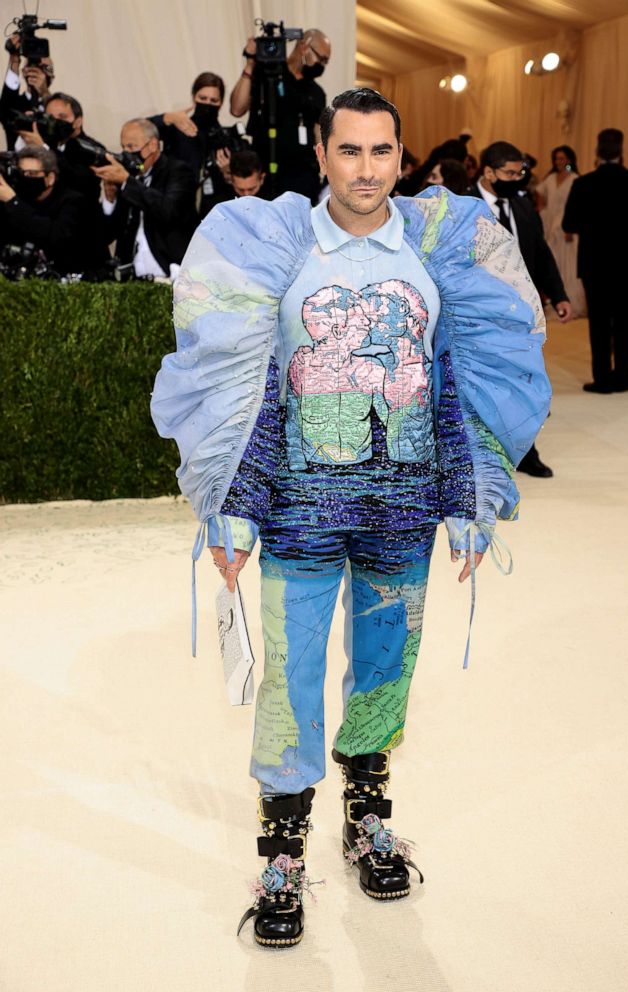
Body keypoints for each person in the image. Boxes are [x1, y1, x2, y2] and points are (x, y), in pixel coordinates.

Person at [150, 87, 550, 948]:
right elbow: (250, 390)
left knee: (382, 672)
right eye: (349, 151)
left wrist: (472, 496)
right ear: (322, 156)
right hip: (298, 512)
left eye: (381, 153)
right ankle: (283, 848)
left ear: (400, 158)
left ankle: (367, 816)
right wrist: (232, 509)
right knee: (289, 688)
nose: (365, 170)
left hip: (400, 515)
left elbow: (457, 383)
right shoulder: (276, 251)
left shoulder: (437, 252)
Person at [469, 140, 572, 478]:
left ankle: (526, 451)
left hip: (521, 314)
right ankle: (478, 459)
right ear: (488, 172)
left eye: (520, 172)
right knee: (481, 386)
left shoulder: (523, 206)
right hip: (477, 314)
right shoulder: (463, 206)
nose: (517, 178)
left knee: (524, 384)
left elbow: (540, 253)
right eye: (509, 173)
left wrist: (559, 295)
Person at [562, 128, 628, 393]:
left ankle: (602, 378)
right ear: (621, 152)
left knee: (599, 323)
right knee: (625, 321)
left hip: (594, 264)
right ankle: (623, 377)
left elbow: (569, 223)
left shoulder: (584, 183)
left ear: (597, 152)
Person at [229, 28, 331, 201]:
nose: (321, 65)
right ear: (304, 46)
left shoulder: (316, 92)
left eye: (325, 62)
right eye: (320, 58)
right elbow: (237, 109)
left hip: (302, 177)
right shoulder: (267, 74)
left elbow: (318, 134)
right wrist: (250, 63)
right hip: (265, 173)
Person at [93, 118, 197, 279]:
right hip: (129, 274)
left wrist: (127, 181)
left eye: (132, 147)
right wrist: (109, 199)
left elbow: (167, 210)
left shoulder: (178, 171)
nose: (127, 153)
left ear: (153, 145)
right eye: (123, 148)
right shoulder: (128, 177)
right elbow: (107, 235)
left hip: (168, 271)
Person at [0, 145, 106, 277]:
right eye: (21, 173)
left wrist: (13, 202)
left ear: (50, 178)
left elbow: (55, 235)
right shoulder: (18, 199)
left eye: (31, 174)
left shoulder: (74, 202)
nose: (25, 178)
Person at [149, 71, 237, 218]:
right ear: (193, 97)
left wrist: (228, 174)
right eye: (203, 98)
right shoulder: (177, 129)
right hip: (176, 208)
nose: (208, 104)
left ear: (221, 102)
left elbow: (241, 188)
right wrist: (167, 117)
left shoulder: (226, 138)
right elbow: (138, 132)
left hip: (213, 213)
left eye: (214, 100)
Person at [17, 92, 104, 204]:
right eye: (50, 118)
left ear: (77, 122)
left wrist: (43, 147)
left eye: (62, 117)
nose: (55, 122)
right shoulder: (48, 141)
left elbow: (78, 180)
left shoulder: (93, 149)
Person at [536, 146, 587, 317]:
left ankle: (571, 300)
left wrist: (572, 225)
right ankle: (555, 300)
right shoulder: (550, 178)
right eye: (557, 158)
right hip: (551, 227)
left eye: (562, 158)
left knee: (568, 264)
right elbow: (540, 195)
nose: (559, 162)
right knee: (553, 263)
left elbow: (579, 205)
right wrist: (543, 210)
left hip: (567, 228)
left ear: (570, 160)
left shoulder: (574, 179)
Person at [0, 32, 54, 149]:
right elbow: (5, 108)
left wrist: (44, 93)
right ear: (24, 71)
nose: (37, 70)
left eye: (45, 67)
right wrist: (14, 60)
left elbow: (57, 124)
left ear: (52, 76)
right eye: (32, 65)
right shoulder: (14, 106)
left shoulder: (56, 105)